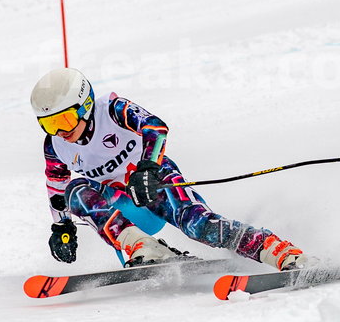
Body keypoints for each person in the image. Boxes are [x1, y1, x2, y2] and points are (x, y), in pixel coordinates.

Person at [31, 67, 305, 270]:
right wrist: (61, 227)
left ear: (86, 106)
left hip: (153, 183)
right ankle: (146, 248)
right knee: (74, 190)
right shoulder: (55, 146)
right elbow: (56, 188)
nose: (60, 132)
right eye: (49, 124)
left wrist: (148, 168)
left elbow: (156, 128)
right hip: (120, 211)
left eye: (64, 120)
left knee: (199, 226)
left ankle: (280, 252)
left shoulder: (112, 109)